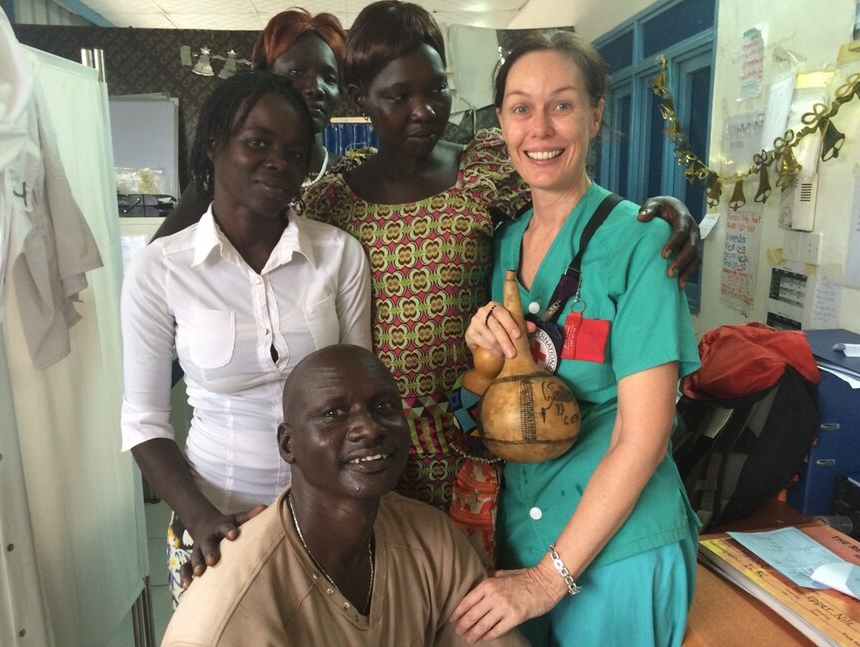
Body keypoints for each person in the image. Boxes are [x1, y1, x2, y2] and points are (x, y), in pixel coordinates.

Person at [303, 0, 702, 513]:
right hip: (373, 440)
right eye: (398, 96)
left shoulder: (482, 169)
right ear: (360, 98)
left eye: (436, 90)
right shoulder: (332, 203)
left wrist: (666, 208)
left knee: (475, 579)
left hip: (480, 426)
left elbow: (568, 196)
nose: (422, 111)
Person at [448, 30, 701, 646]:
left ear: (594, 116)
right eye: (520, 108)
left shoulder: (643, 244)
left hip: (618, 551)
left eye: (561, 104)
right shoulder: (503, 243)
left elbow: (642, 438)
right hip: (522, 535)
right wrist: (481, 365)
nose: (540, 128)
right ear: (501, 124)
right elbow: (477, 409)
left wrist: (544, 580)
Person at [120, 71, 371, 606]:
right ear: (215, 144)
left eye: (295, 151)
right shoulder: (161, 269)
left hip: (327, 514)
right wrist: (202, 518)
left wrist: (354, 505)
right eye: (257, 143)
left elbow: (358, 398)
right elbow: (143, 420)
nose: (278, 161)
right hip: (216, 516)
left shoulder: (339, 255)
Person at [160, 345, 528, 646]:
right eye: (333, 413)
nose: (368, 428)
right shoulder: (228, 611)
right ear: (289, 445)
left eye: (383, 407)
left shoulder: (431, 540)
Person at [151, 8, 345, 240]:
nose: (316, 88)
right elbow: (164, 259)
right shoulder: (224, 178)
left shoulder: (350, 175)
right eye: (297, 71)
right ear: (264, 76)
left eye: (330, 78)